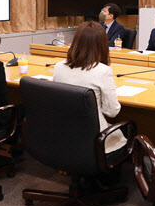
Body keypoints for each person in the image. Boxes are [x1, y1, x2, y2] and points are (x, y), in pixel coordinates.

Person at [53, 21, 127, 155]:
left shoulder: (58, 67)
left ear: (76, 41)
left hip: (65, 133)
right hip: (95, 139)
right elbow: (112, 112)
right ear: (102, 45)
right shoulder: (103, 71)